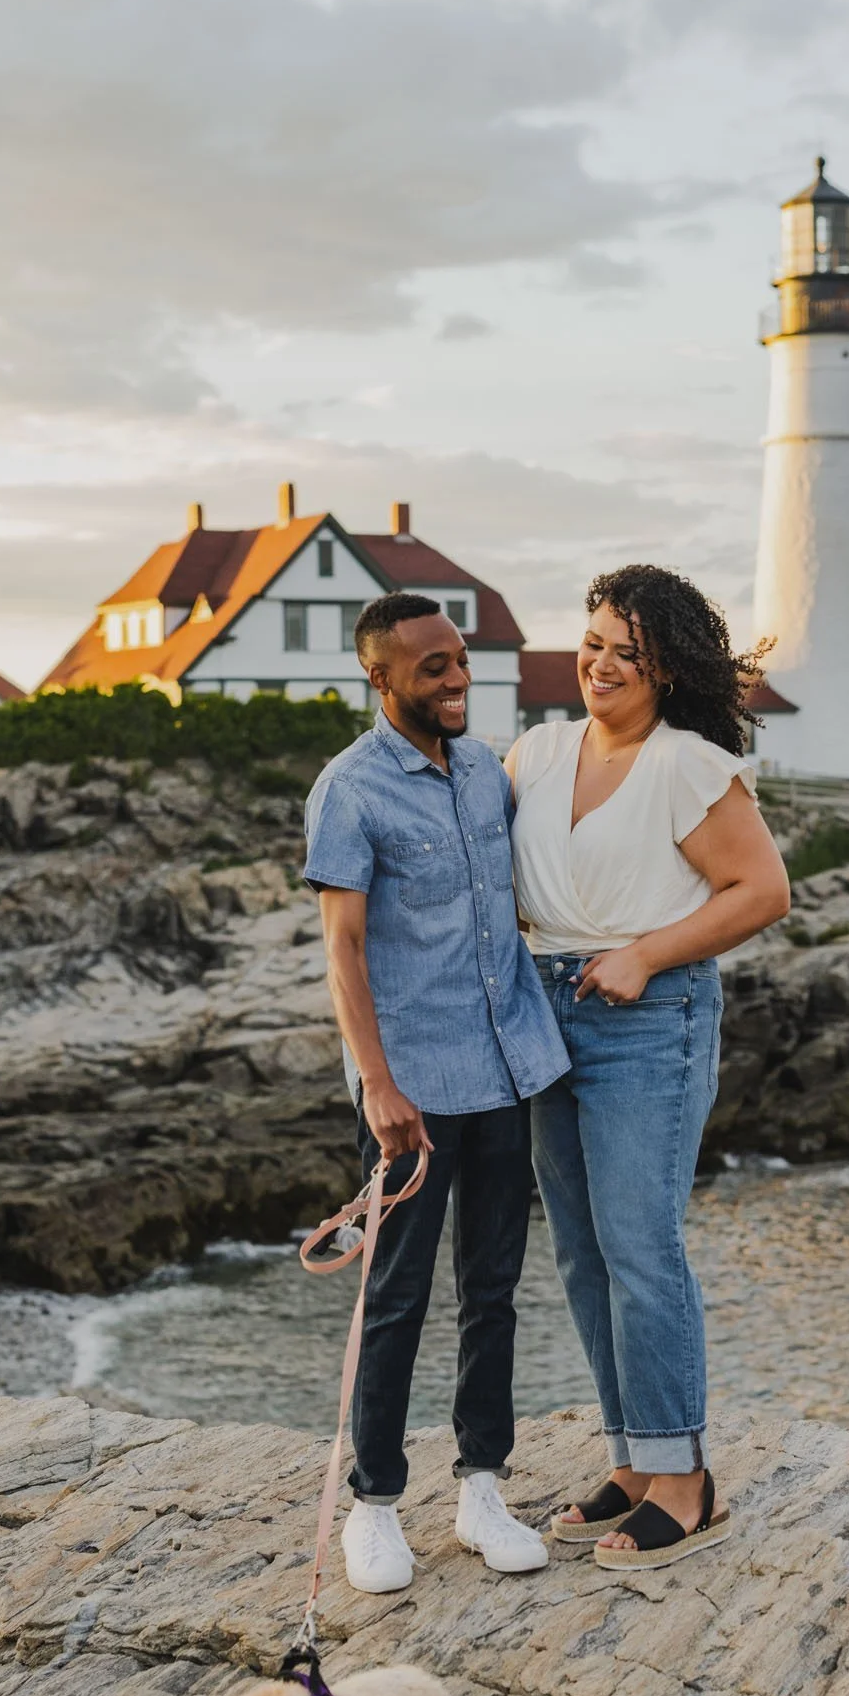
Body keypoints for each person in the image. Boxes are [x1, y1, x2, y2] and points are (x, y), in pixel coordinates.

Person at [506, 565, 790, 1572]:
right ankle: (632, 1461)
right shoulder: (535, 753)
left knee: (640, 1244)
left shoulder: (687, 766)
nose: (603, 665)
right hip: (544, 1015)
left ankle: (687, 1482)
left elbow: (762, 891)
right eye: (593, 643)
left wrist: (644, 953)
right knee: (582, 1251)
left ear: (667, 670)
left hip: (647, 1014)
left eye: (629, 652)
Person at [304, 591, 569, 1595]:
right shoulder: (350, 790)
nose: (456, 680)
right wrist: (377, 1083)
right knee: (395, 1295)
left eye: (460, 663)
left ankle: (482, 1487)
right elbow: (342, 947)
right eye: (433, 670)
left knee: (493, 1287)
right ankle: (372, 1506)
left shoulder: (485, 775)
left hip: (506, 1070)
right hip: (410, 1087)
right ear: (381, 679)